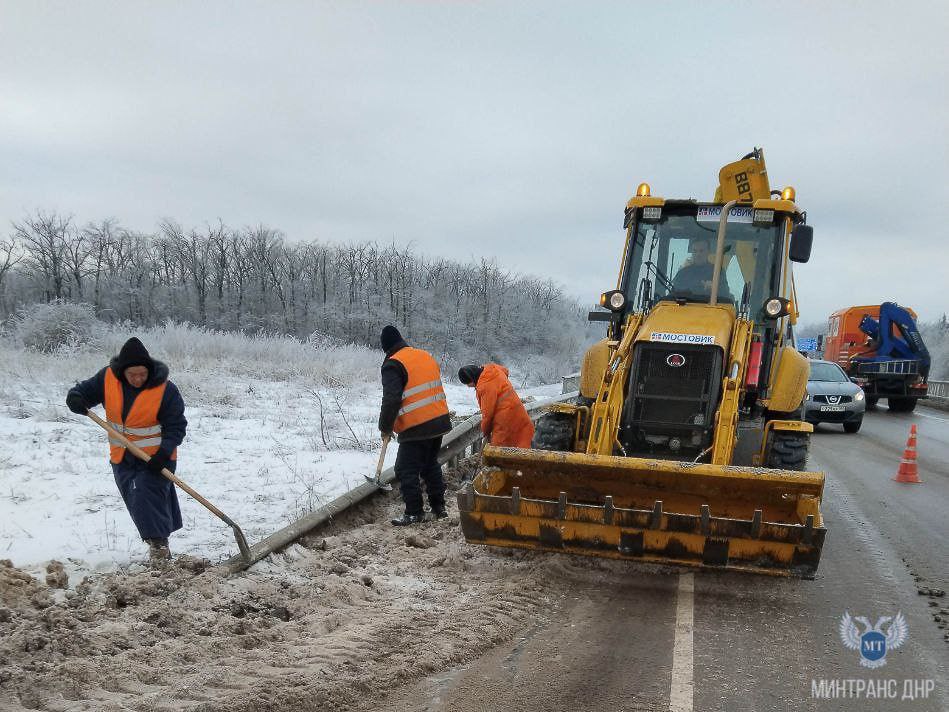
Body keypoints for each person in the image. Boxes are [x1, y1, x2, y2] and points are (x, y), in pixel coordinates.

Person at [66, 337, 187, 561]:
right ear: (123, 372)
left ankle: (159, 547)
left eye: (143, 374)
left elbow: (177, 426)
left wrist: (162, 452)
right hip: (122, 456)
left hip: (156, 457)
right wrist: (76, 398)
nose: (138, 378)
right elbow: (85, 392)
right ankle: (159, 538)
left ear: (149, 370)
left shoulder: (165, 390)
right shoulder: (108, 378)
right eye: (133, 375)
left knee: (145, 494)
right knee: (138, 499)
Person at [378, 325, 452, 526]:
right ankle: (439, 508)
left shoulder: (393, 364)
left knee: (405, 469)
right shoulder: (423, 355)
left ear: (386, 348)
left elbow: (391, 399)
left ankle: (414, 512)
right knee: (429, 465)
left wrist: (385, 427)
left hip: (417, 425)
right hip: (439, 420)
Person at [458, 363, 534, 448]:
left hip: (504, 418)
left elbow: (487, 414)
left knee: (499, 450)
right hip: (517, 409)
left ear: (472, 378)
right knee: (521, 445)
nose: (469, 386)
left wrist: (485, 431)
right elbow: (505, 371)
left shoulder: (485, 385)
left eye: (468, 383)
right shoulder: (493, 371)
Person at [671, 237, 733, 302]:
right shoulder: (682, 273)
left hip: (711, 309)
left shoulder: (718, 272)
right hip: (682, 308)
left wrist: (714, 288)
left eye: (701, 251)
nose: (698, 254)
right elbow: (673, 295)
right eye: (695, 251)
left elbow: (725, 295)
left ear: (708, 252)